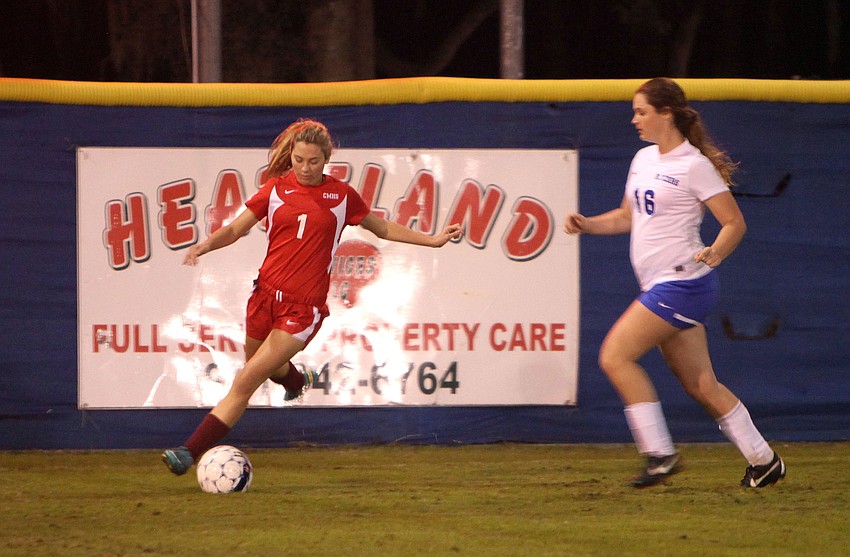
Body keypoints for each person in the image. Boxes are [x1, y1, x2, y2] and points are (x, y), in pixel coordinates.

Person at [162, 119, 463, 475]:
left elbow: (381, 228)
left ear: (327, 161)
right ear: (290, 156)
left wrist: (433, 239)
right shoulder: (275, 190)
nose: (305, 168)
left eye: (313, 162)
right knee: (267, 368)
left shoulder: (341, 196)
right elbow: (235, 229)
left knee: (245, 379)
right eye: (299, 160)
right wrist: (206, 244)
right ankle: (293, 380)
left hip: (303, 309)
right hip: (263, 297)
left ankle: (188, 452)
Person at [564, 78, 785, 488]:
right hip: (662, 286)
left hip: (683, 284)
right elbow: (628, 216)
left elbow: (734, 223)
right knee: (701, 384)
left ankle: (660, 454)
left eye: (642, 111)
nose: (634, 119)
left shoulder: (694, 165)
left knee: (615, 356)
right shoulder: (644, 160)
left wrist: (717, 251)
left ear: (666, 113)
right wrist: (588, 224)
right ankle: (764, 461)